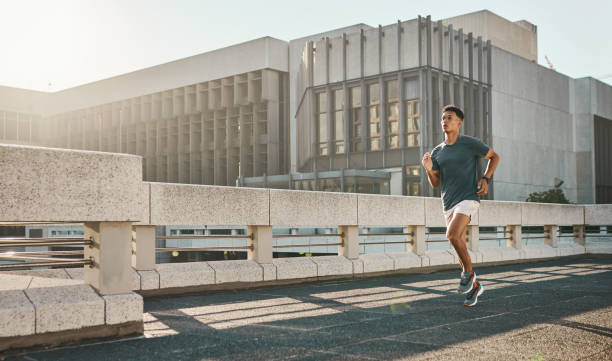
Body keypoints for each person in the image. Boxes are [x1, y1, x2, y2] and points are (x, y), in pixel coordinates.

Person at [421, 105, 500, 307]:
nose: (445, 121)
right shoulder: (437, 151)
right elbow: (436, 183)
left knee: (452, 234)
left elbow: (494, 157)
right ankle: (474, 286)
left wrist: (486, 178)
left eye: (449, 117)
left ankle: (468, 273)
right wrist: (429, 170)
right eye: (443, 118)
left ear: (459, 122)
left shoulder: (470, 143)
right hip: (448, 201)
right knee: (458, 242)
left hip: (469, 197)